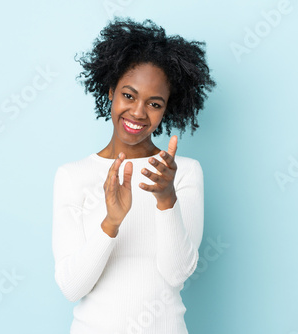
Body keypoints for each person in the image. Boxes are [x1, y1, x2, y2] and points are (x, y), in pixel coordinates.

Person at [52, 17, 216, 333]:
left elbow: (177, 273)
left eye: (154, 103)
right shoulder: (73, 176)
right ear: (111, 91)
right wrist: (111, 222)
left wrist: (166, 199)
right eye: (129, 95)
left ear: (166, 108)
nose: (139, 112)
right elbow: (72, 288)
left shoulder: (183, 173)